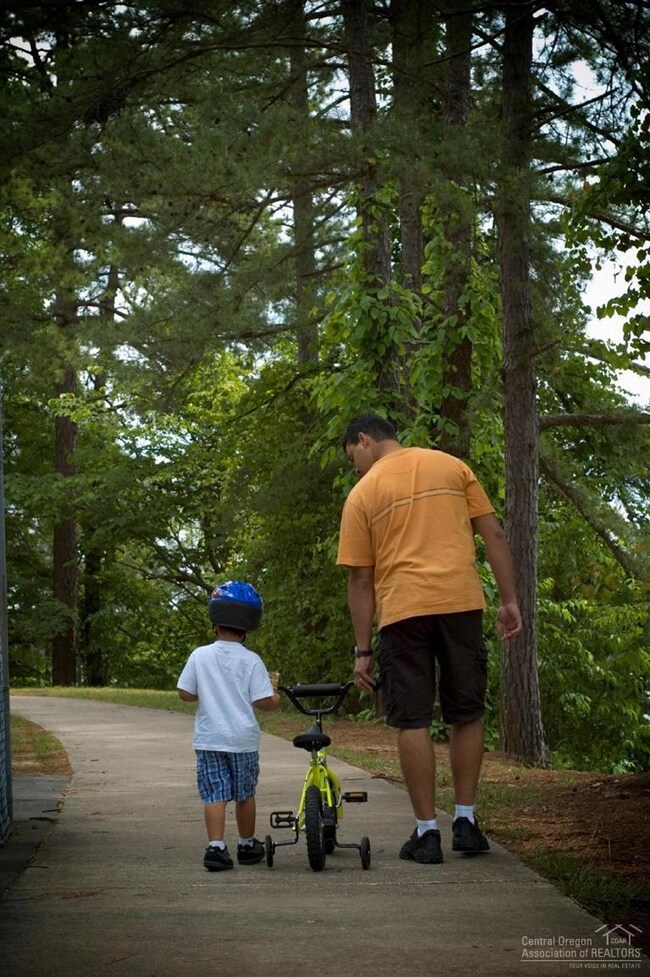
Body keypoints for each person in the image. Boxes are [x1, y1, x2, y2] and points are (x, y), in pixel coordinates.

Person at [336, 413, 522, 865]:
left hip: (403, 613)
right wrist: (510, 599)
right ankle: (465, 821)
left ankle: (426, 834)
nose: (355, 467)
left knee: (413, 720)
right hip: (461, 603)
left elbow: (362, 581)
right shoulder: (451, 466)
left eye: (352, 457)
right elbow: (493, 532)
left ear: (365, 440)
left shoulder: (363, 493)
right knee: (467, 711)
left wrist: (363, 651)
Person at [177, 580, 280, 872]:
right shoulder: (252, 661)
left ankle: (216, 847)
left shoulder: (199, 656)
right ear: (248, 625)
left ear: (215, 621)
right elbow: (262, 702)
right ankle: (247, 844)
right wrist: (275, 697)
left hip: (209, 739)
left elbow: (184, 693)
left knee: (215, 794)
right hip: (242, 741)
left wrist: (203, 691)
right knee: (244, 794)